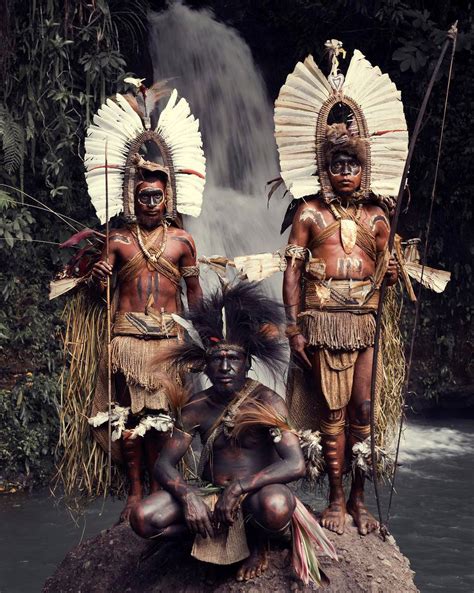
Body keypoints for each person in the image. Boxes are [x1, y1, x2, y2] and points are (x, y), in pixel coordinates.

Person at [53, 82, 206, 520]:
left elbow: (193, 294)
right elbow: (102, 293)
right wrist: (98, 277)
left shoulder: (182, 242)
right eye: (143, 197)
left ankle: (163, 486)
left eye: (158, 196)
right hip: (125, 338)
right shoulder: (118, 241)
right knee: (130, 417)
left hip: (168, 340)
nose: (151, 203)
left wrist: (204, 337)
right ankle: (136, 490)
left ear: (169, 197)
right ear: (131, 198)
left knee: (164, 417)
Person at [275, 43, 408, 535]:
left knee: (364, 409)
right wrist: (292, 328)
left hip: (363, 322)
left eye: (353, 165)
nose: (346, 174)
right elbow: (291, 272)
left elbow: (387, 272)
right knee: (332, 410)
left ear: (365, 167)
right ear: (323, 166)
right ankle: (332, 497)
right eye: (337, 165)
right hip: (322, 319)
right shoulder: (309, 214)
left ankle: (358, 499)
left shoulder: (378, 216)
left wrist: (389, 277)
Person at [130, 282, 337, 585]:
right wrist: (188, 496)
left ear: (247, 364)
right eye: (217, 359)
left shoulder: (267, 402)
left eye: (233, 359)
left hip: (254, 496)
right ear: (206, 366)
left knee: (276, 507)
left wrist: (241, 488)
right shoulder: (196, 407)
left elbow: (295, 464)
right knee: (143, 519)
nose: (225, 366)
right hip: (212, 495)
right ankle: (212, 534)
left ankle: (258, 543)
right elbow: (164, 464)